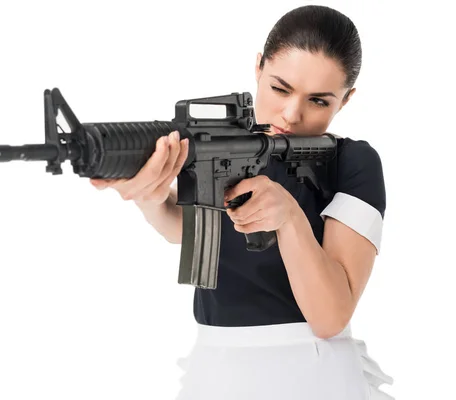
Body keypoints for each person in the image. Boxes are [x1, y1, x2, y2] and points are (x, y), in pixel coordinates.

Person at [90, 5, 394, 400]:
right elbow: (191, 232)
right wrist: (149, 195)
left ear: (346, 99)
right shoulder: (227, 146)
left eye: (318, 101)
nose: (291, 113)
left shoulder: (354, 163)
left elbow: (330, 317)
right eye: (279, 88)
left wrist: (289, 219)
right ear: (258, 68)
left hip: (312, 375)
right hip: (215, 366)